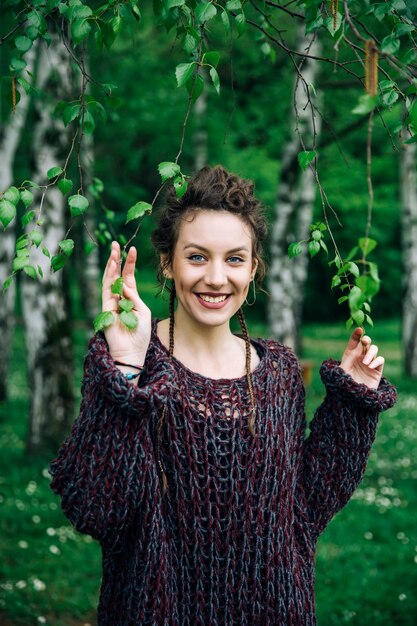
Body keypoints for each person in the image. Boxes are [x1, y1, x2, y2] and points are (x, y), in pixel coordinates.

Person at [49, 165, 397, 626]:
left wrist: (354, 400)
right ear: (168, 263)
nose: (216, 277)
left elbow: (305, 510)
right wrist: (127, 368)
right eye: (197, 257)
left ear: (253, 269)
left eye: (234, 259)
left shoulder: (279, 373)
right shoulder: (129, 361)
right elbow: (95, 508)